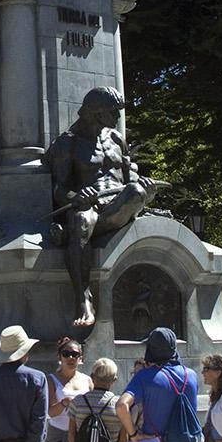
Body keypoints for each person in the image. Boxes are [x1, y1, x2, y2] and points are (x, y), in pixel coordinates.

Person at [46, 87, 157, 327]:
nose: (117, 118)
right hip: (92, 208)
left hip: (121, 201)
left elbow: (130, 178)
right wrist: (77, 196)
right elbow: (59, 190)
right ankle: (84, 299)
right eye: (113, 112)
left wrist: (147, 190)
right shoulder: (68, 143)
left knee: (136, 191)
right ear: (96, 113)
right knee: (82, 220)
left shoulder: (116, 138)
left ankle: (71, 237)